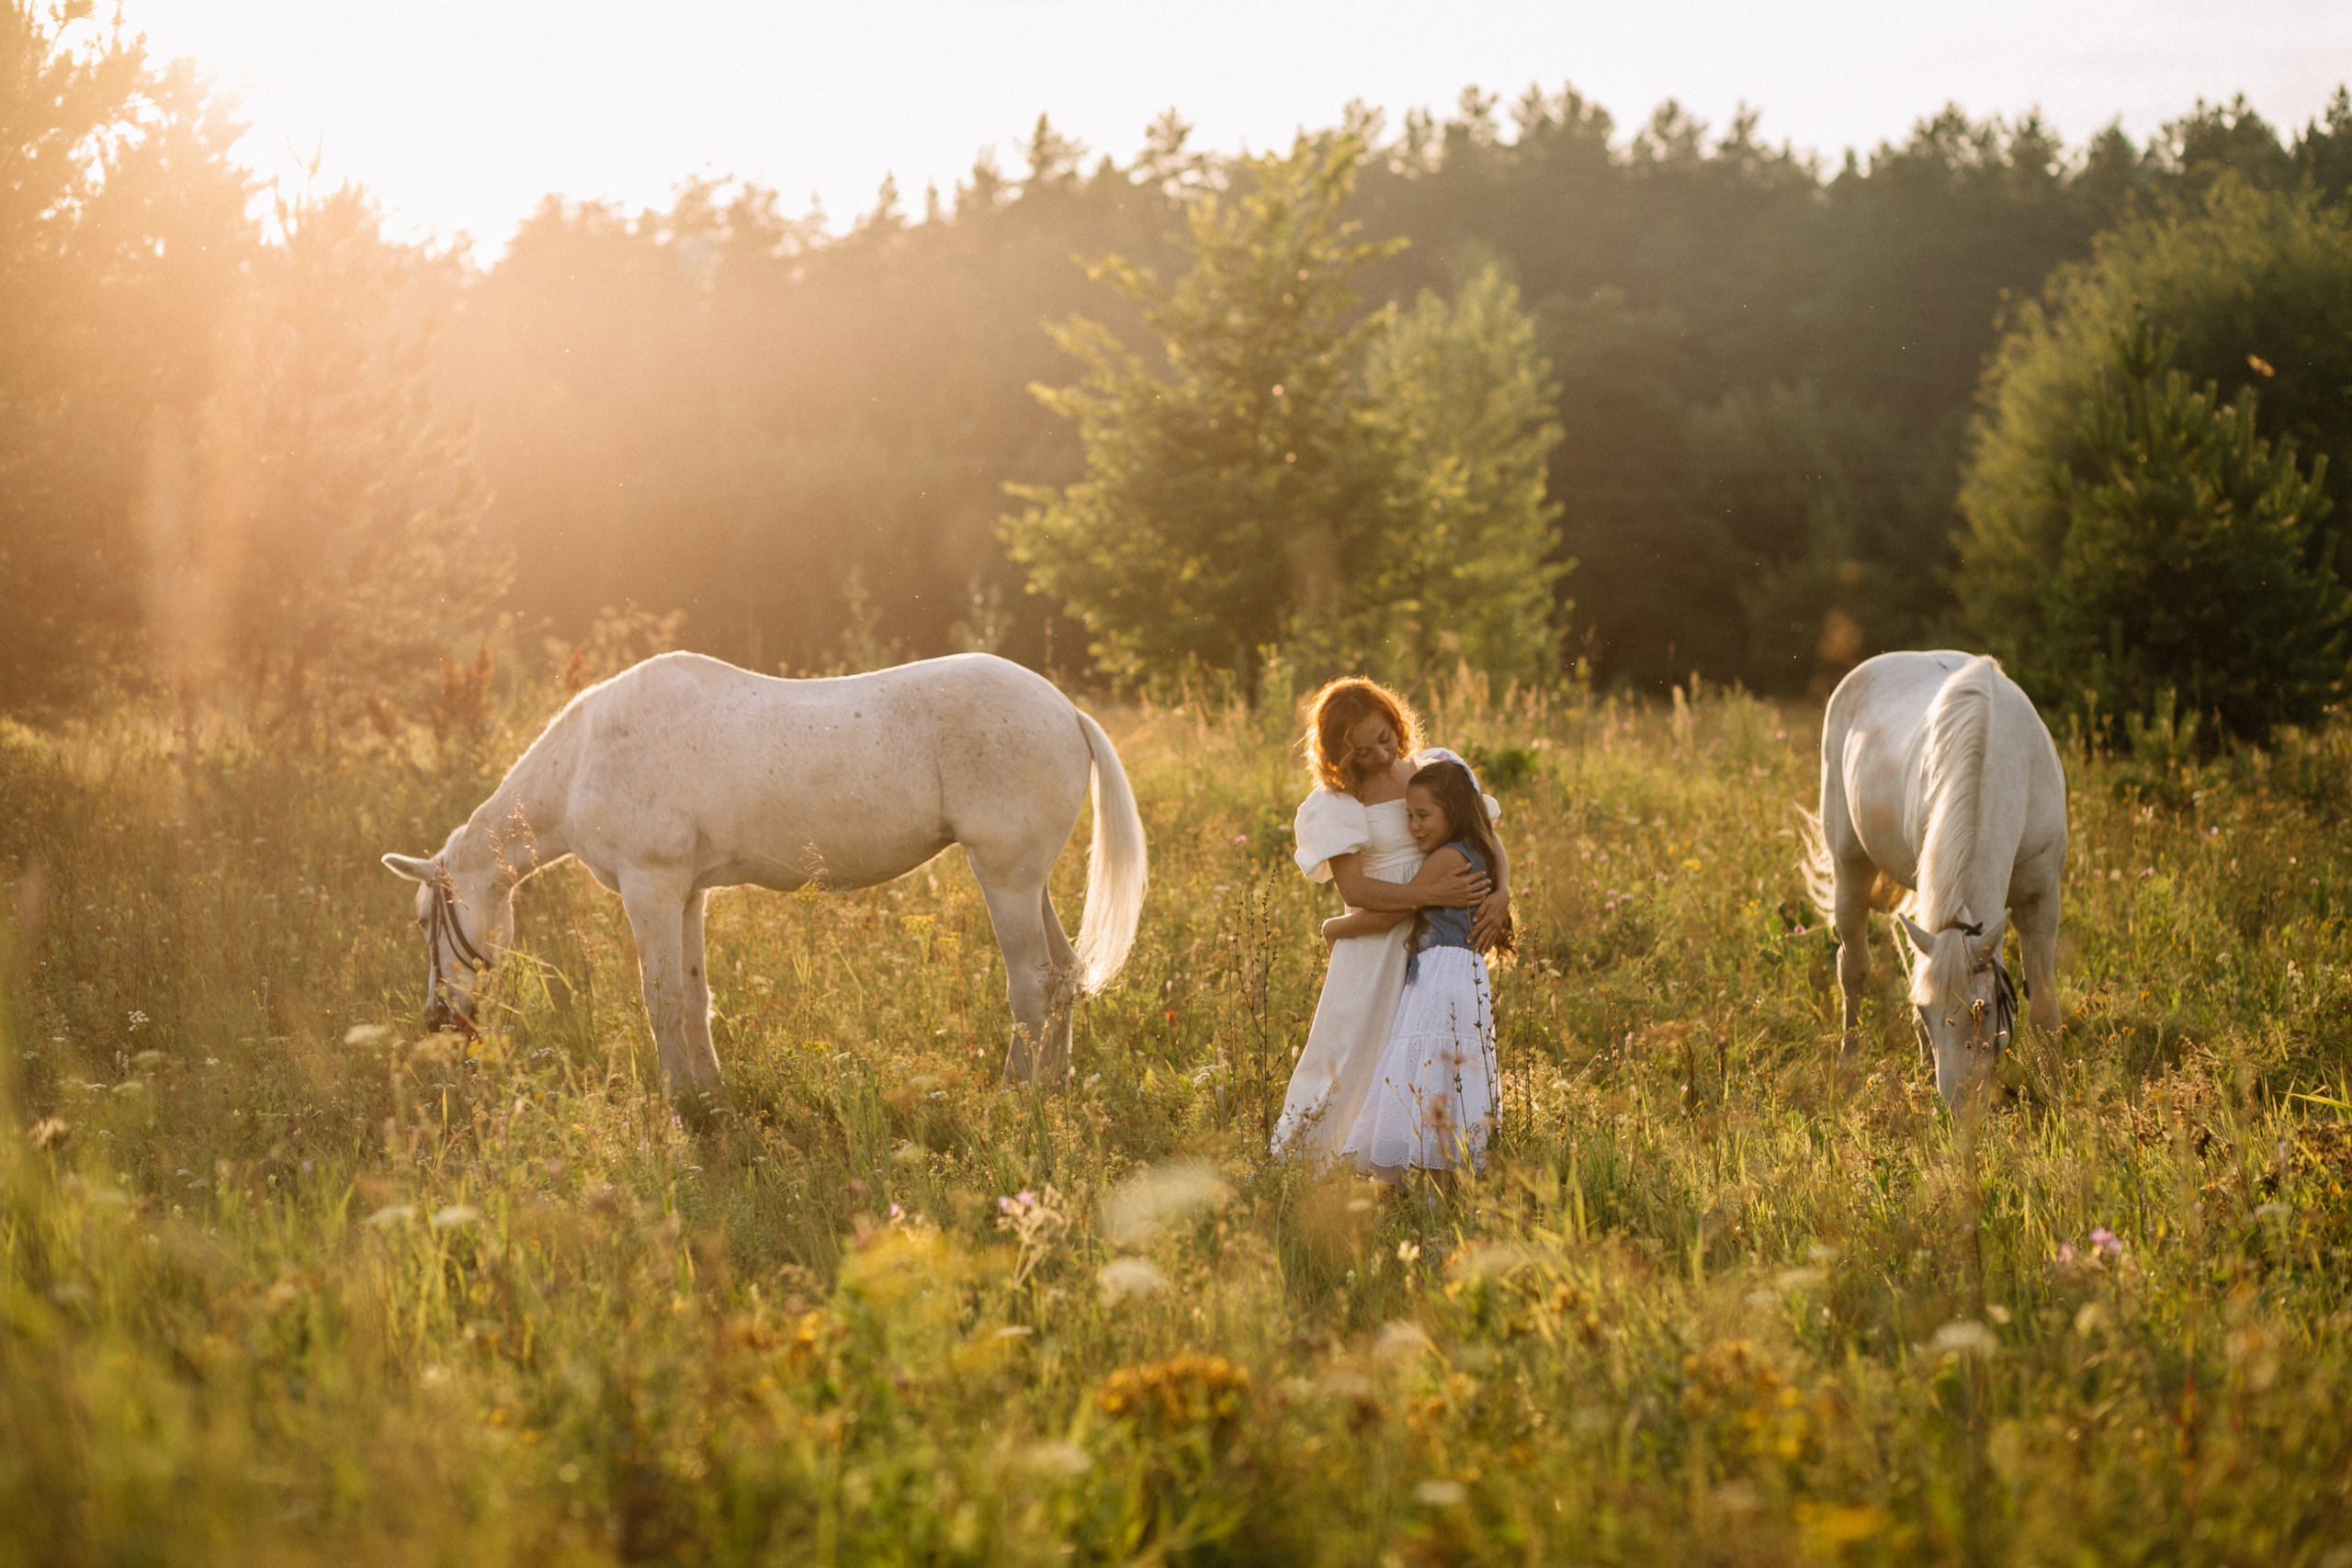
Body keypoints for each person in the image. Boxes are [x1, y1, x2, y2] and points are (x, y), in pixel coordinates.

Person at [1272, 677, 1510, 1161]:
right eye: (1362, 752)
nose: (1381, 757)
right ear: (1339, 754)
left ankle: (1409, 1157)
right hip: (1376, 943)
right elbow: (1354, 890)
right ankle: (1317, 1162)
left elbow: (1484, 836)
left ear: (1396, 723)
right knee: (1352, 1048)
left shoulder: (1439, 770)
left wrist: (1502, 891)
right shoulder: (1338, 801)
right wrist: (1429, 894)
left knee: (1425, 1049)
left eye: (1385, 739)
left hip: (1439, 941)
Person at [1326, 759, 1512, 1179]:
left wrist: (1335, 926)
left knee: (1427, 1070)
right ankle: (1441, 1185)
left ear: (1455, 811)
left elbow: (1394, 912)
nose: (1413, 826)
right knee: (1449, 1074)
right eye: (1409, 815)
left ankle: (1424, 1183)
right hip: (1466, 976)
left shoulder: (1447, 859)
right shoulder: (1478, 851)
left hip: (1440, 976)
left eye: (1423, 815)